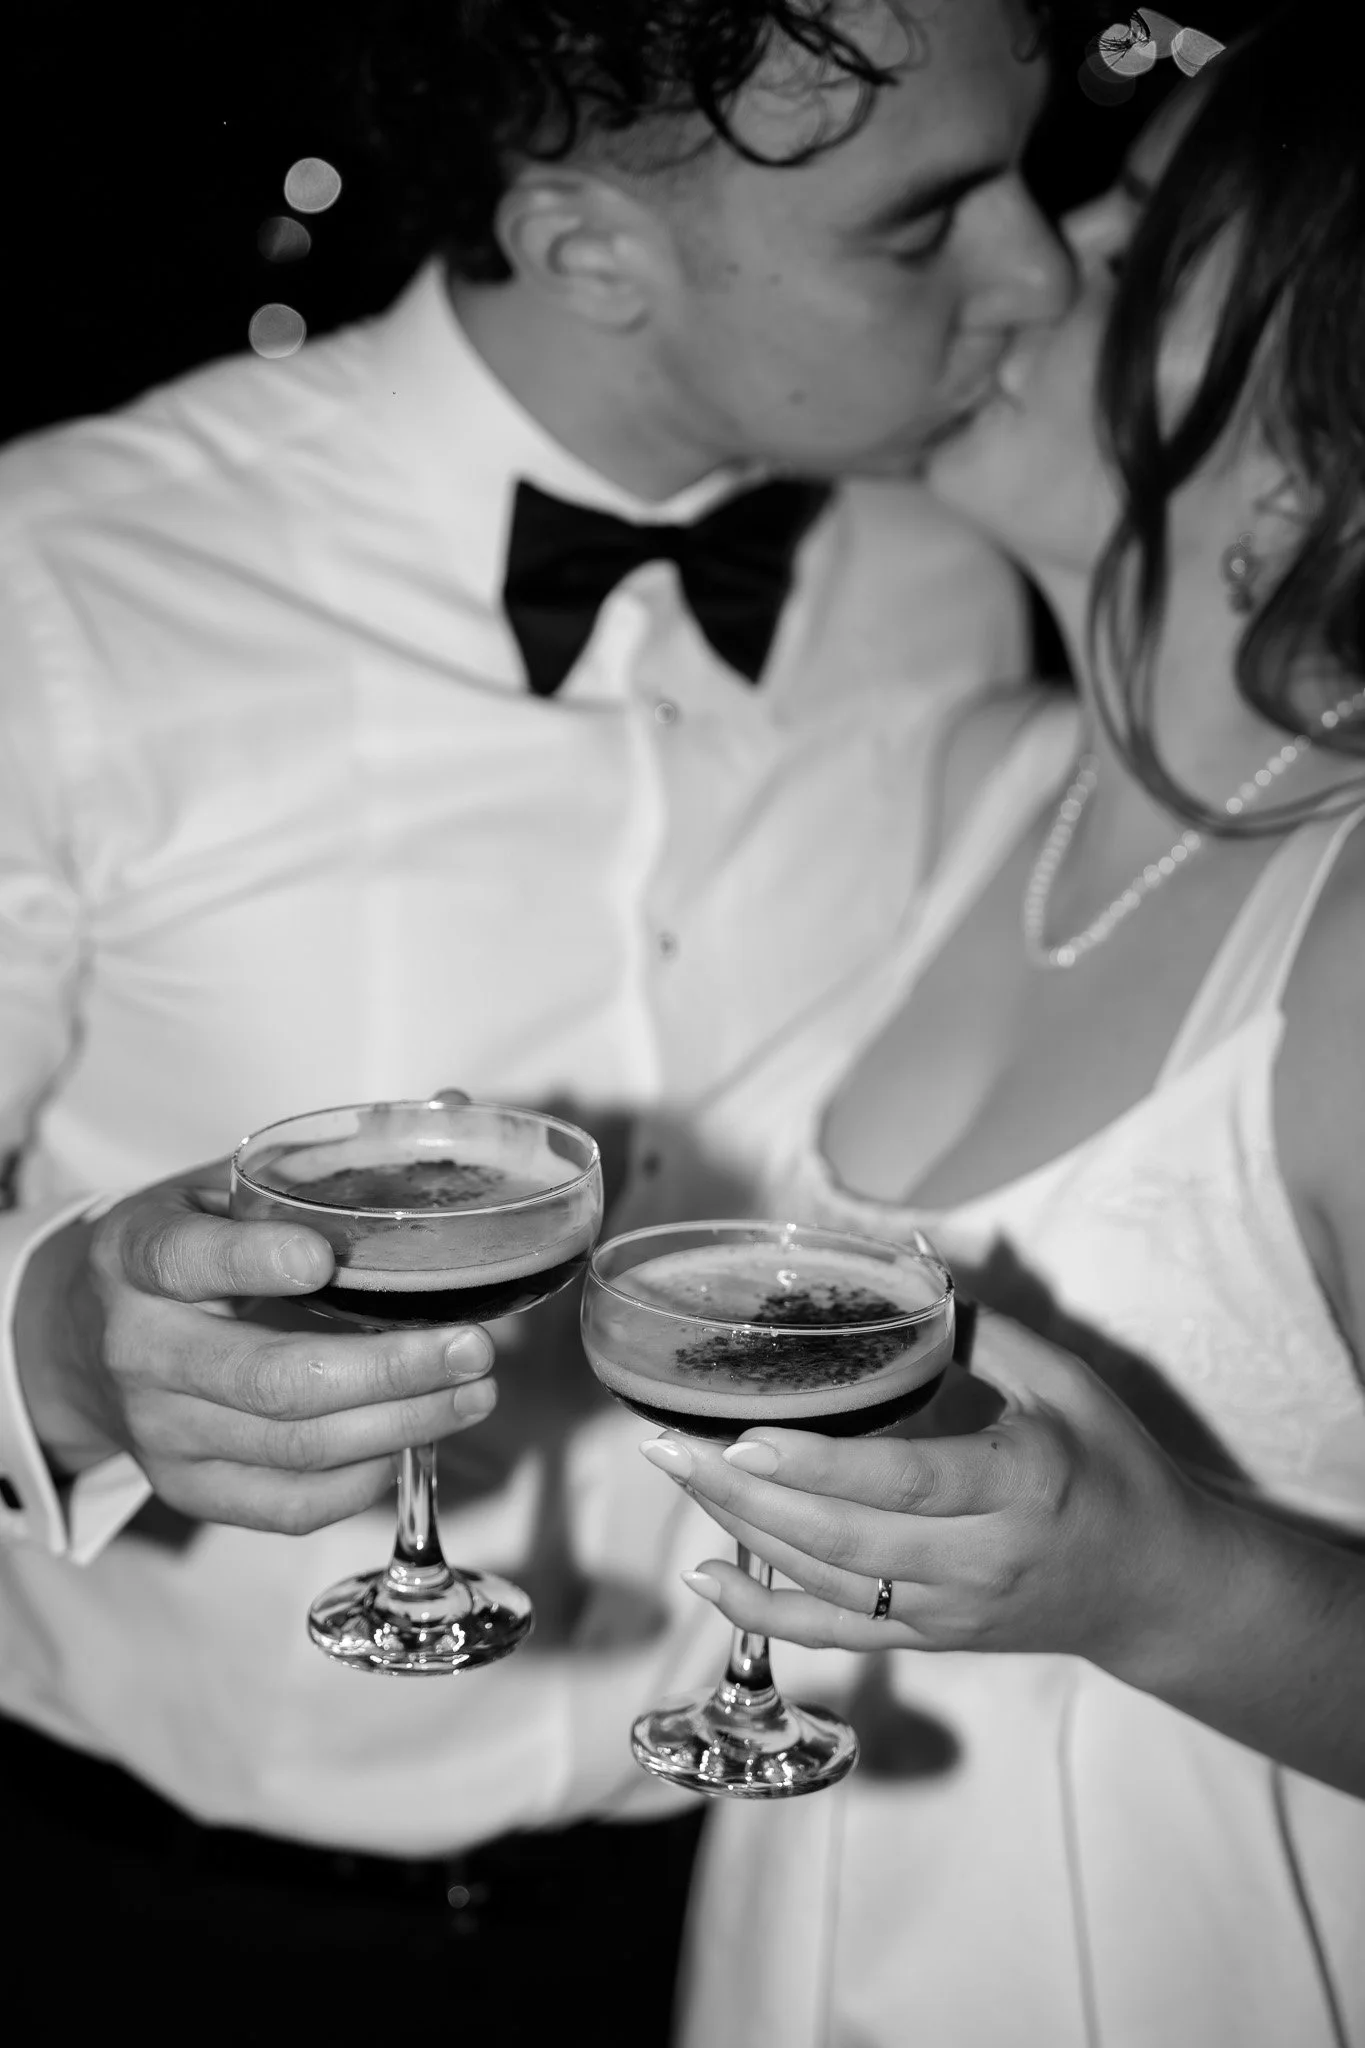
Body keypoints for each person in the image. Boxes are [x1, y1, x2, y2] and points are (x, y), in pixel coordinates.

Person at [0, 1, 1070, 2035]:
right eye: (926, 219)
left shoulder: (948, 577)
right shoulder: (54, 583)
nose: (1038, 269)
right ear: (589, 249)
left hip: (753, 1903)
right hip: (151, 1931)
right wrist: (55, 1345)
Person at [659, 10, 1365, 2044]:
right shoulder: (978, 781)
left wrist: (1164, 1581)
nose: (1038, 264)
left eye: (1136, 244)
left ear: (1313, 443)